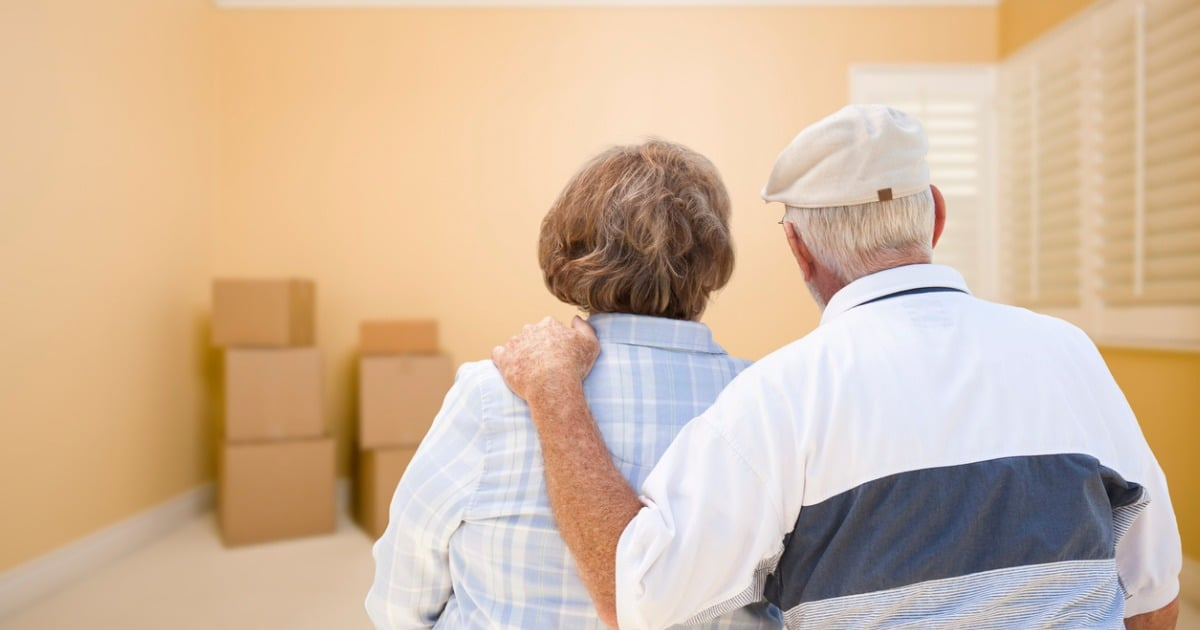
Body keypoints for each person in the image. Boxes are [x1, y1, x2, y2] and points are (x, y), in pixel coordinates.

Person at [490, 105, 1183, 629]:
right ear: (935, 216)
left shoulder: (781, 395)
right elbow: (1152, 593)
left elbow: (637, 596)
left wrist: (555, 393)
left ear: (798, 249)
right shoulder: (1067, 353)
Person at [365, 140, 782, 629]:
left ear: (571, 249)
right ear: (714, 259)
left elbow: (400, 594)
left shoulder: (493, 394)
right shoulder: (769, 402)